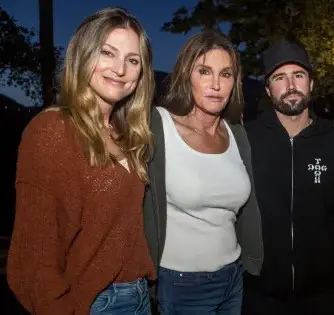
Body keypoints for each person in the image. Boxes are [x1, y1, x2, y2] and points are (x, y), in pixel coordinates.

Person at [7, 8, 155, 315]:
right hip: (94, 303)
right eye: (107, 53)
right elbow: (35, 258)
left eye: (132, 60)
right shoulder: (52, 130)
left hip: (140, 297)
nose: (120, 69)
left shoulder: (125, 134)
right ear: (83, 55)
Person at [142, 30, 263, 315]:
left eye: (226, 74)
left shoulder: (236, 135)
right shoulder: (157, 126)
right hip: (181, 283)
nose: (216, 85)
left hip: (233, 277)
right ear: (187, 74)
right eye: (205, 71)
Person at [241, 41, 334, 315]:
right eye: (280, 78)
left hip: (321, 295)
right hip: (257, 295)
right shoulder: (245, 139)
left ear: (311, 83)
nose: (290, 85)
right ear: (268, 90)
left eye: (299, 75)